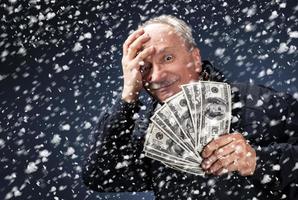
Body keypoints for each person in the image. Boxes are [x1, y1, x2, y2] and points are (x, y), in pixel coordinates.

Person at [82, 15, 298, 200]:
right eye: (145, 67)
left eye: (167, 58)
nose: (156, 76)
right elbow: (100, 175)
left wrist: (260, 161)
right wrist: (128, 95)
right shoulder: (149, 134)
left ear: (195, 58)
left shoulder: (264, 104)